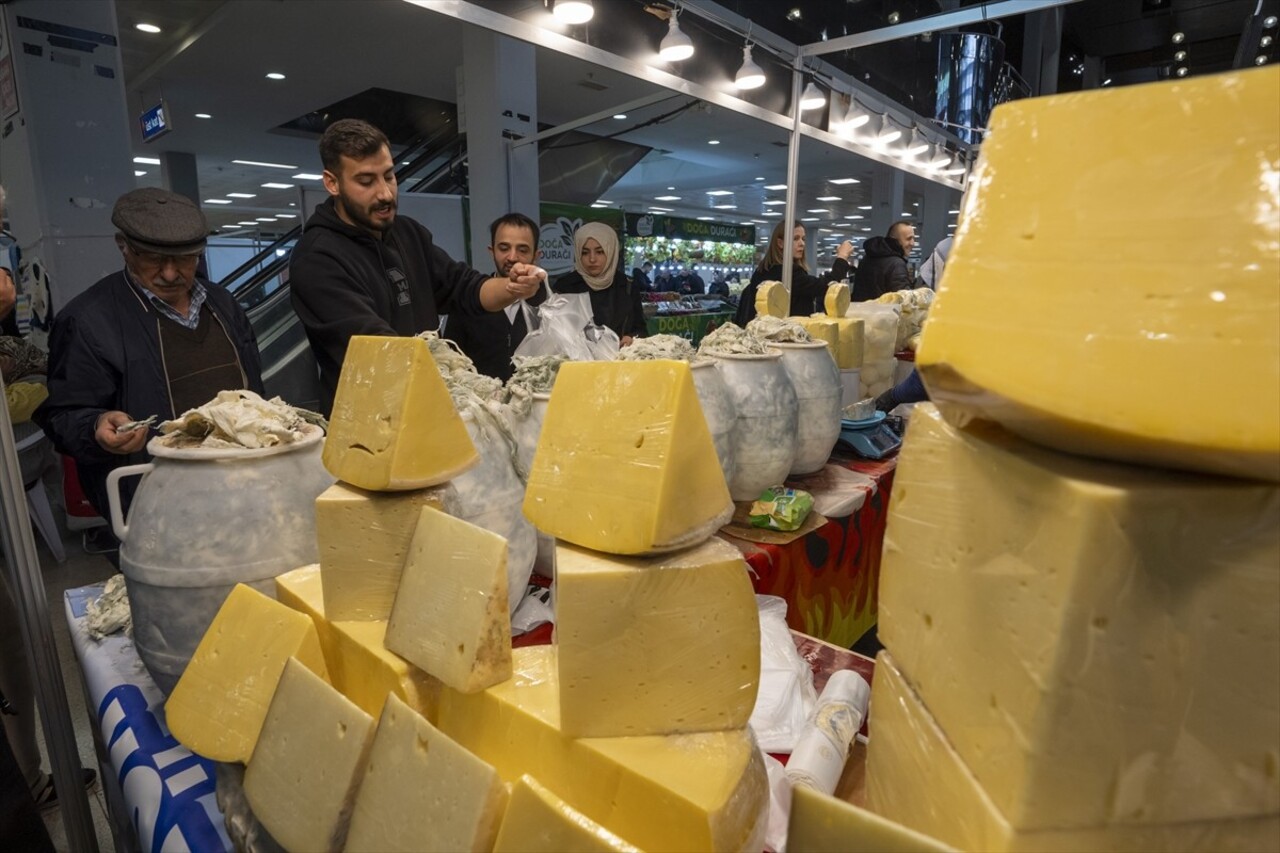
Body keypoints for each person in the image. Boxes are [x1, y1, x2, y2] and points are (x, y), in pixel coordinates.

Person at [34, 188, 264, 523]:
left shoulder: (222, 303)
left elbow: (254, 388)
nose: (170, 274)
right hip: (156, 503)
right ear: (123, 246)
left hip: (245, 487)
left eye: (185, 258)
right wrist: (96, 426)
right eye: (153, 258)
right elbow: (62, 415)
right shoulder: (86, 321)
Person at [289, 119, 545, 411]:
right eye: (366, 181)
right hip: (366, 424)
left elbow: (464, 286)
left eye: (389, 176)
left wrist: (514, 287)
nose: (385, 193)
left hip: (425, 411)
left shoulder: (407, 233)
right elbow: (377, 349)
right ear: (332, 183)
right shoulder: (317, 259)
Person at [444, 213, 548, 382]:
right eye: (504, 248)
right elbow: (450, 360)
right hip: (480, 404)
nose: (512, 257)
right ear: (491, 251)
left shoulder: (550, 305)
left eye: (522, 250)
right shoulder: (468, 301)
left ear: (536, 255)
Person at [734, 222, 853, 327]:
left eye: (803, 239)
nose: (802, 243)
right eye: (796, 238)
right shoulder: (786, 273)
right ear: (780, 243)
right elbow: (826, 287)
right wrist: (842, 258)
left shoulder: (763, 270)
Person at [555, 222, 646, 345]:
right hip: (579, 361)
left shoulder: (627, 285)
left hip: (620, 360)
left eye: (600, 252)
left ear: (611, 251)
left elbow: (641, 329)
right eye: (585, 252)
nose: (592, 259)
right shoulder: (565, 287)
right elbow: (556, 332)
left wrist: (631, 337)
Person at [853, 220, 915, 302]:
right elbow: (903, 301)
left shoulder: (865, 259)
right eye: (908, 239)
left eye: (913, 238)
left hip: (859, 312)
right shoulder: (896, 264)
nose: (913, 243)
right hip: (886, 313)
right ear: (895, 240)